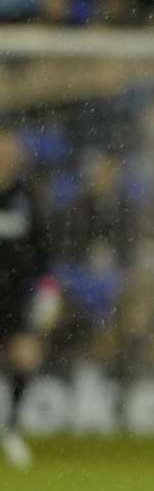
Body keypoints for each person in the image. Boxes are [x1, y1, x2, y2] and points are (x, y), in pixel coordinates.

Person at [0, 131, 61, 470]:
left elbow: (43, 251)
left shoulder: (26, 197)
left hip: (17, 294)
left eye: (11, 148)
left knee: (25, 357)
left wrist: (49, 289)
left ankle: (10, 429)